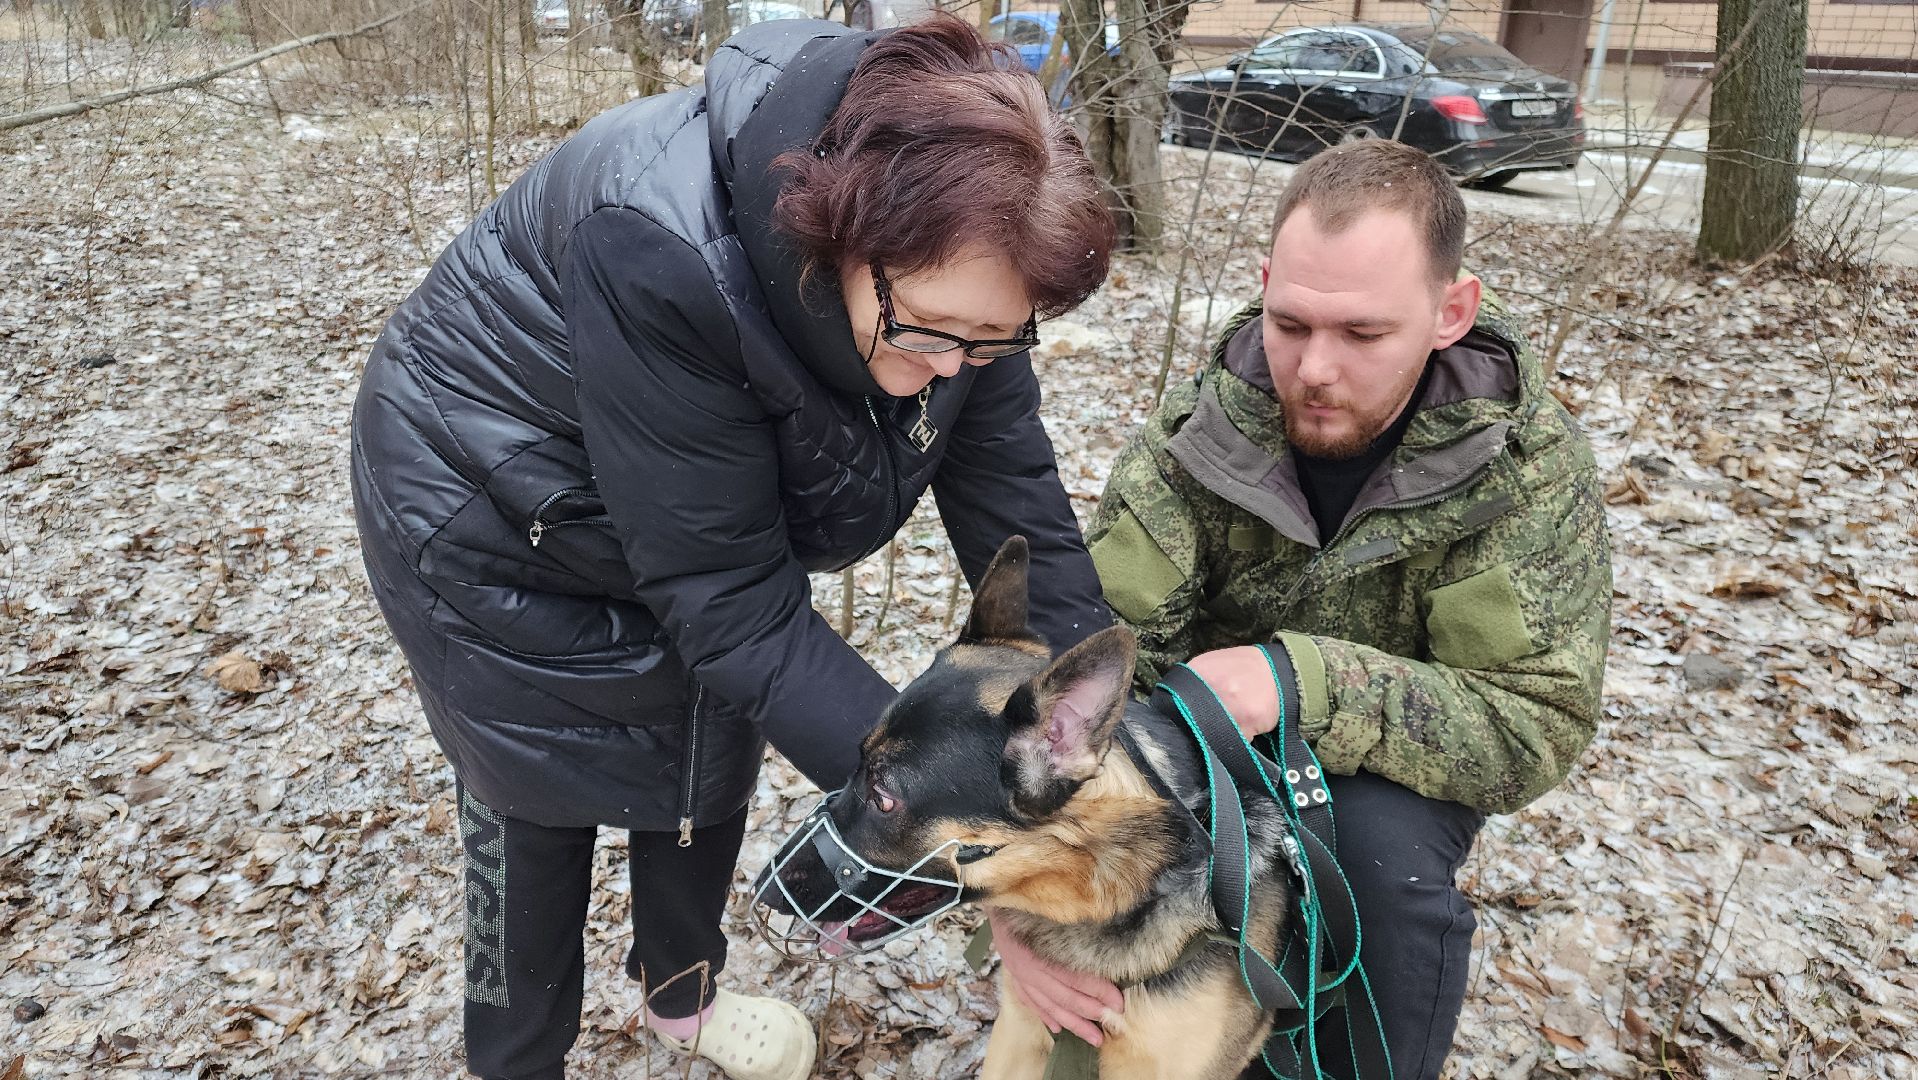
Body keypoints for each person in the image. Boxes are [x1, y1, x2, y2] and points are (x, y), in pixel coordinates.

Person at [348, 15, 1116, 1080]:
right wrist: (973, 839)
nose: (953, 369)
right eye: (931, 334)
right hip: (491, 506)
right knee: (533, 801)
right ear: (841, 239)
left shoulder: (970, 274)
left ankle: (681, 1000)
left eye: (989, 343)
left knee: (708, 746)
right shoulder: (661, 248)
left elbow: (1011, 486)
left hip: (678, 502)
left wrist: (1097, 729)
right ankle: (513, 1057)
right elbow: (735, 604)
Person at [1001, 140, 1612, 1077]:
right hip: (1198, 743)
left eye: (1363, 335)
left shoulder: (1521, 473)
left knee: (1379, 868)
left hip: (1397, 768)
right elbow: (1082, 665)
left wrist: (1301, 683)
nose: (1314, 369)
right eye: (1290, 324)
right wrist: (1014, 919)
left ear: (1453, 311)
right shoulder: (1201, 430)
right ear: (1263, 285)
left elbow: (1533, 721)